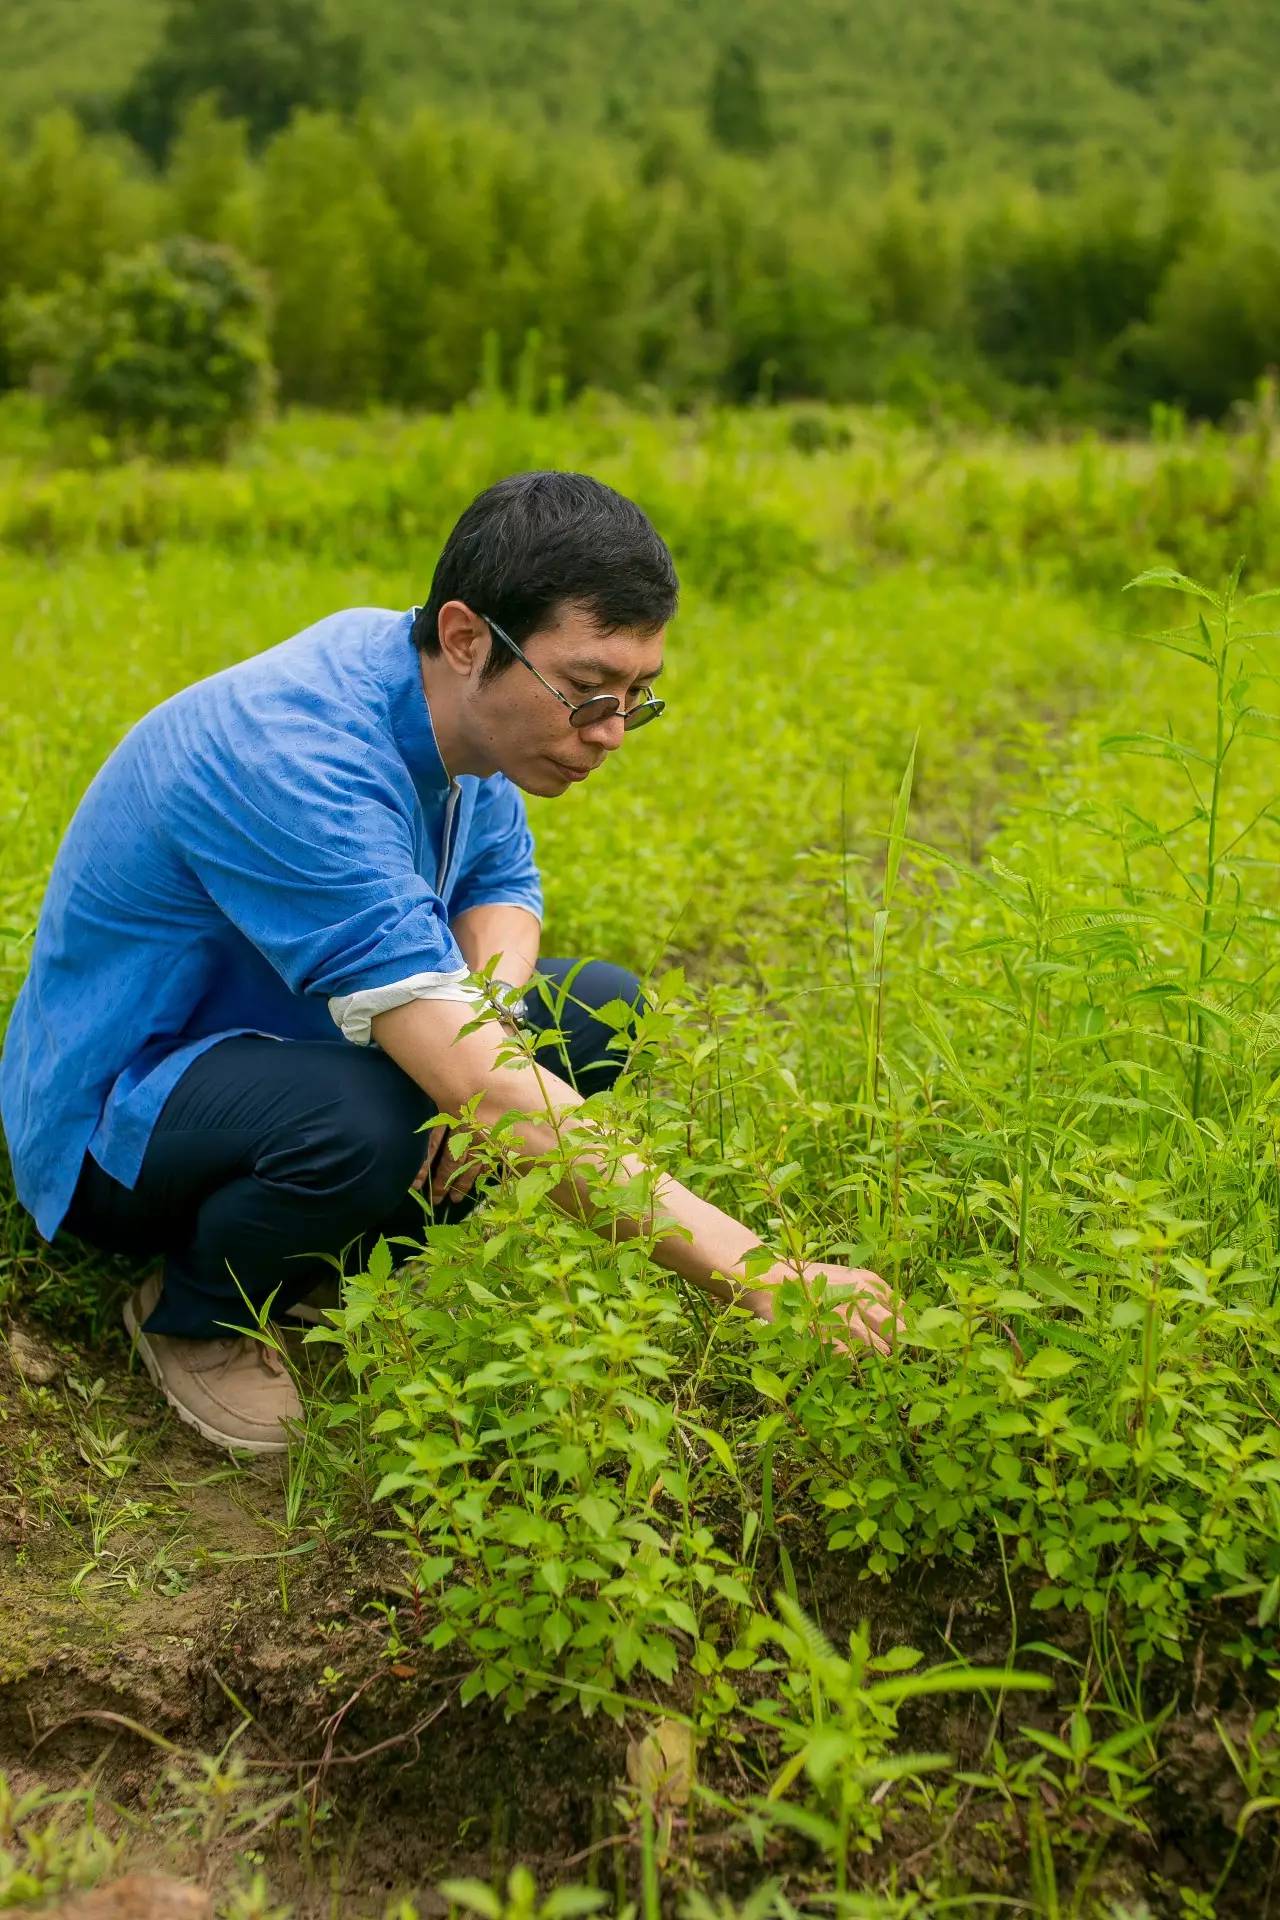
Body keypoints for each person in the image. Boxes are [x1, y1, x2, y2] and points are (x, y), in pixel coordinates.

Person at [0, 471, 899, 1455]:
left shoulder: (441, 693)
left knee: (594, 1009)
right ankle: (197, 1313)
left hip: (290, 1045)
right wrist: (763, 1272)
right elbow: (478, 1084)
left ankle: (309, 1263)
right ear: (470, 638)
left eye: (636, 698)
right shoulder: (301, 759)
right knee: (397, 1110)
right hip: (122, 1116)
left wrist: (493, 1018)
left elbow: (500, 885)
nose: (607, 734)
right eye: (588, 693)